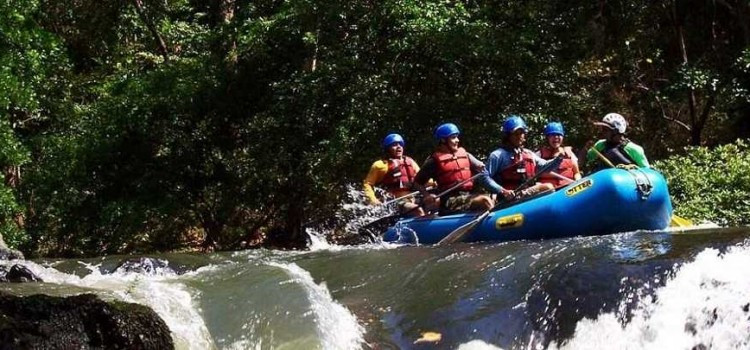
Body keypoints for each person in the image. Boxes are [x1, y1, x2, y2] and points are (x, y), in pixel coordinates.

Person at [411, 123, 494, 215]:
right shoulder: (433, 161)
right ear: (443, 140)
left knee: (491, 198)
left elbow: (480, 165)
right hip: (450, 200)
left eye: (457, 137)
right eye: (453, 137)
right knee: (485, 200)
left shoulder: (465, 154)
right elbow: (417, 183)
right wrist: (427, 195)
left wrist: (480, 166)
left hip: (468, 195)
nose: (457, 140)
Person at [485, 115, 555, 201]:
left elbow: (546, 167)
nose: (519, 136)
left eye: (521, 133)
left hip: (526, 195)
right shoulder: (498, 155)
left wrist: (559, 158)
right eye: (515, 133)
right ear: (507, 136)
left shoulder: (528, 153)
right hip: (508, 198)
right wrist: (503, 191)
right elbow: (484, 178)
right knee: (548, 187)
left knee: (548, 187)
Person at [363, 133, 425, 216]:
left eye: (400, 144)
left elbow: (422, 178)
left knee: (435, 201)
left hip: (413, 197)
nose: (398, 146)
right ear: (387, 149)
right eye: (394, 145)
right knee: (418, 210)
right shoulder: (380, 165)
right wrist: (373, 200)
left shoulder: (410, 162)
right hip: (395, 201)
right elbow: (368, 184)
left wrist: (434, 183)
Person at [585, 113, 649, 171]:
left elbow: (646, 171)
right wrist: (585, 148)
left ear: (615, 131)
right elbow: (585, 159)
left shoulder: (634, 149)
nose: (602, 132)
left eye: (605, 130)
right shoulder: (600, 144)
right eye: (602, 129)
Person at [536, 121, 582, 188]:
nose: (556, 137)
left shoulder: (569, 153)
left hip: (568, 189)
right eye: (553, 135)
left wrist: (578, 181)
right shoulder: (539, 154)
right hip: (549, 192)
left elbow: (577, 173)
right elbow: (532, 174)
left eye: (559, 135)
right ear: (547, 138)